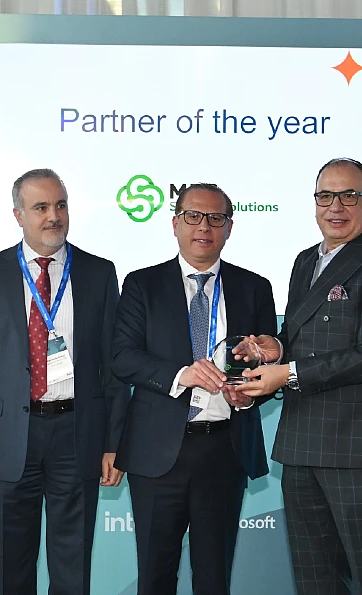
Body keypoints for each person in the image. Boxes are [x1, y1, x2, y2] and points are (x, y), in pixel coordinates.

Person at [237, 158, 362, 595]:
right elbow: (301, 336)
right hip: (303, 444)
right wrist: (273, 347)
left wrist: (288, 372)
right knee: (314, 577)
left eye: (349, 196)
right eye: (325, 196)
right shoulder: (306, 261)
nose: (335, 206)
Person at [0, 168, 128, 595]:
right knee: (13, 563)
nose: (54, 216)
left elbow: (114, 367)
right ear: (18, 214)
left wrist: (113, 442)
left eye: (61, 205)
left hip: (78, 433)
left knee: (73, 564)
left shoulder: (99, 273)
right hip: (9, 435)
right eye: (41, 207)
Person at [111, 183, 276, 595]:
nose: (204, 227)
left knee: (214, 576)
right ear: (175, 223)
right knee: (154, 576)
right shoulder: (141, 285)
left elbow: (266, 366)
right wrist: (182, 374)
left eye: (216, 218)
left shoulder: (254, 288)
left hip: (224, 450)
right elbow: (123, 357)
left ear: (229, 228)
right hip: (157, 452)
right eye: (193, 217)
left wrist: (246, 396)